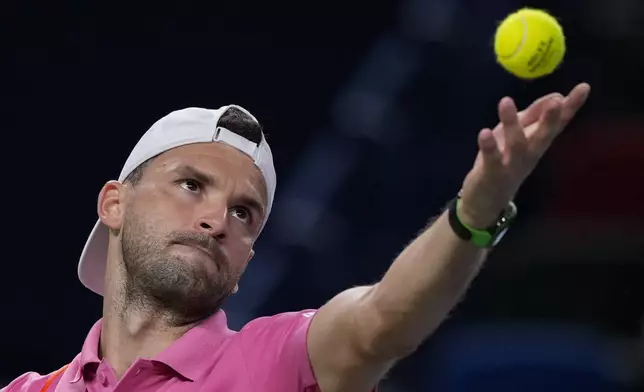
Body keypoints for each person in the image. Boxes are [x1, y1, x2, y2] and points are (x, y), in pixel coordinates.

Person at [2, 83, 590, 392]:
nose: (217, 220)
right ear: (115, 203)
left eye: (244, 213)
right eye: (190, 185)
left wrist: (476, 210)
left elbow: (382, 319)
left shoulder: (284, 360)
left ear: (246, 258)